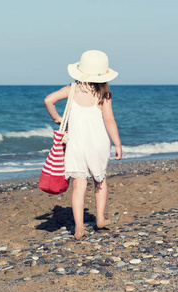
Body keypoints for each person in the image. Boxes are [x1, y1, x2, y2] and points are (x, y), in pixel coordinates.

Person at [44, 50, 122, 238]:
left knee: (79, 187)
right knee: (100, 181)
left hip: (76, 145)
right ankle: (100, 219)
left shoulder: (71, 89)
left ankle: (79, 227)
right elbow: (109, 120)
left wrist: (57, 118)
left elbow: (48, 100)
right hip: (98, 145)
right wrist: (117, 144)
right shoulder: (104, 93)